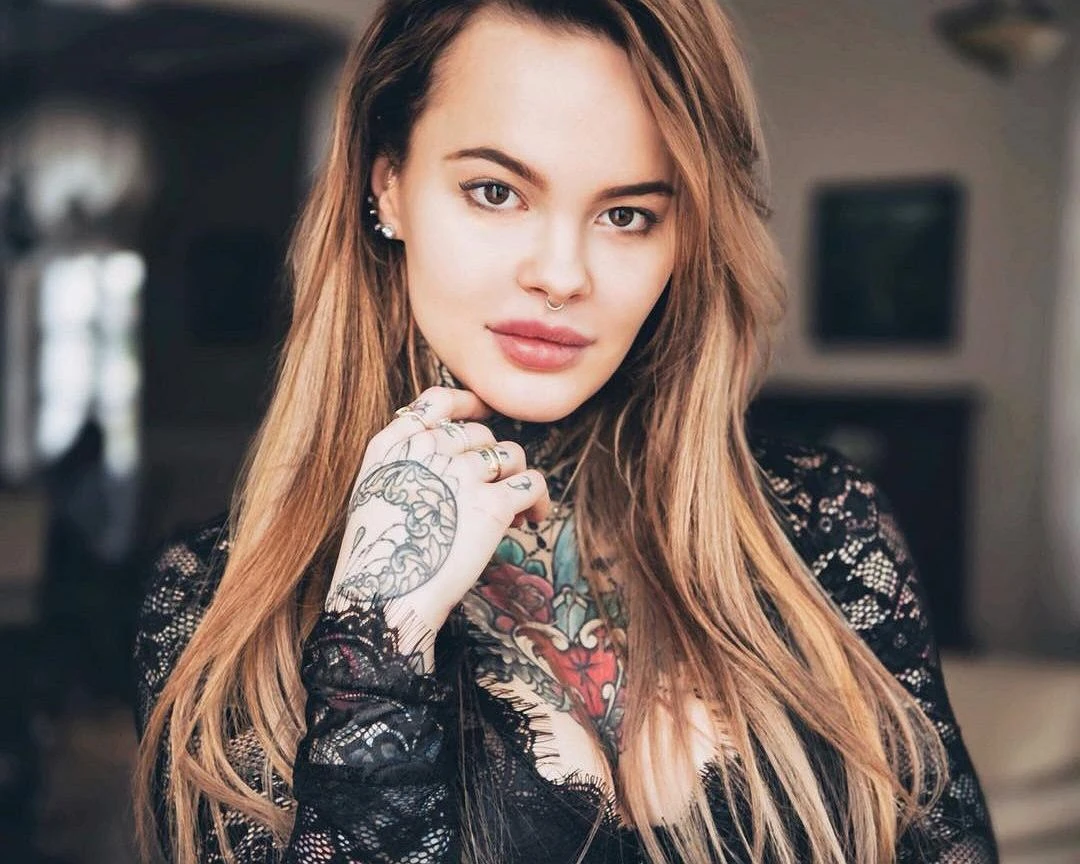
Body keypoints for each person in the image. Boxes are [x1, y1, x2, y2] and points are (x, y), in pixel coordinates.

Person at [132, 1, 999, 862]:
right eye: (496, 192)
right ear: (386, 183)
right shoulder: (217, 607)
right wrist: (374, 640)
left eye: (627, 214)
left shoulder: (820, 525)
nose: (561, 274)